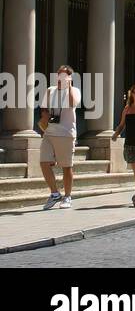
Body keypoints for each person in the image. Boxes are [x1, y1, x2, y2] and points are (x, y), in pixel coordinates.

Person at [39, 65, 81, 211]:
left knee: (66, 166)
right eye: (59, 75)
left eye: (64, 75)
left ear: (70, 77)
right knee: (44, 162)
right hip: (50, 132)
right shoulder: (51, 90)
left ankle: (67, 196)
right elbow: (43, 108)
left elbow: (72, 103)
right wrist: (45, 117)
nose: (60, 78)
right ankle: (54, 193)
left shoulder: (75, 91)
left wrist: (68, 86)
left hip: (66, 133)